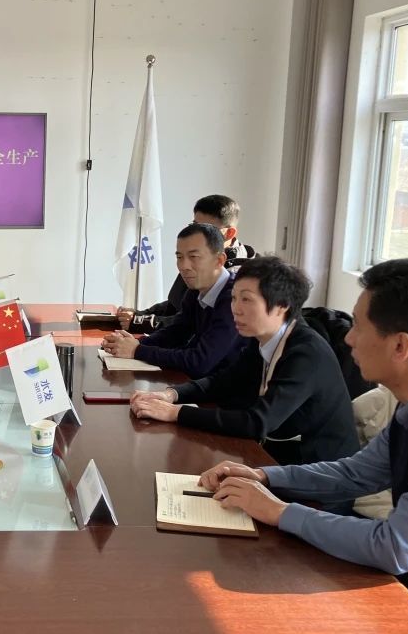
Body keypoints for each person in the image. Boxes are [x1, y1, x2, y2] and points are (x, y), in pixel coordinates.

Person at [198, 259, 408, 633]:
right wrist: (264, 477)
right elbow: (355, 474)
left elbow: (394, 546)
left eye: (357, 325)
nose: (348, 339)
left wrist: (279, 511)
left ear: (400, 345)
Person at [130, 257, 359, 472]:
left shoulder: (306, 353)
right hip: (278, 454)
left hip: (317, 472)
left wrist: (175, 413)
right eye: (234, 298)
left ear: (282, 305)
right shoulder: (264, 338)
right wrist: (171, 394)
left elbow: (257, 422)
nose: (235, 309)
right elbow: (223, 381)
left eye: (246, 299)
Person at [102, 223, 243, 378]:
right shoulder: (196, 289)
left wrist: (137, 350)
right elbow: (176, 332)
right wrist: (132, 344)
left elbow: (200, 362)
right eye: (179, 257)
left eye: (194, 257)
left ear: (219, 260)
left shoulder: (234, 299)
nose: (184, 266)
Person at [118, 194, 256, 332]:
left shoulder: (239, 277)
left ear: (229, 233)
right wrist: (140, 314)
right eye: (195, 225)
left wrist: (143, 322)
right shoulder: (191, 258)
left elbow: (195, 324)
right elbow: (176, 305)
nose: (185, 265)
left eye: (207, 229)